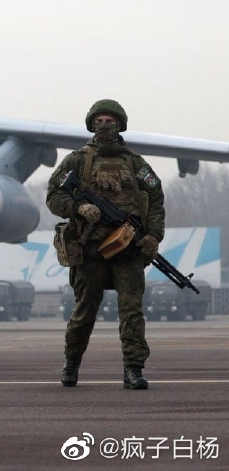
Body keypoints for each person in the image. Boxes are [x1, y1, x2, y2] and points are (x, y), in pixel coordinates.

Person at [46, 99, 163, 390]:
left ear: (120, 124)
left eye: (110, 121)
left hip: (128, 249)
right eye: (98, 121)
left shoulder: (135, 163)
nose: (104, 125)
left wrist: (153, 236)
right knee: (84, 310)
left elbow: (155, 199)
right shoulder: (76, 161)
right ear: (91, 125)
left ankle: (133, 369)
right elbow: (54, 196)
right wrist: (79, 208)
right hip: (89, 249)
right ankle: (71, 364)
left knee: (131, 310)